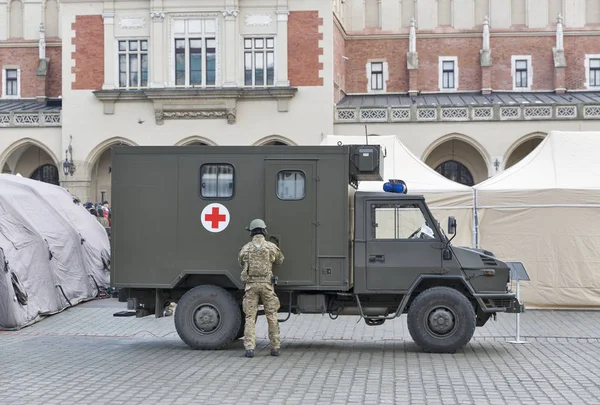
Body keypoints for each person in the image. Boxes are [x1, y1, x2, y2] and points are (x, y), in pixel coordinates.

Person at [238, 219, 284, 358]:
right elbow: (280, 260)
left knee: (250, 317)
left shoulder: (246, 248)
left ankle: (250, 349)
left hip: (251, 286)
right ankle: (275, 348)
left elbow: (240, 261)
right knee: (272, 316)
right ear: (264, 231)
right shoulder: (270, 247)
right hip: (267, 286)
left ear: (251, 232)